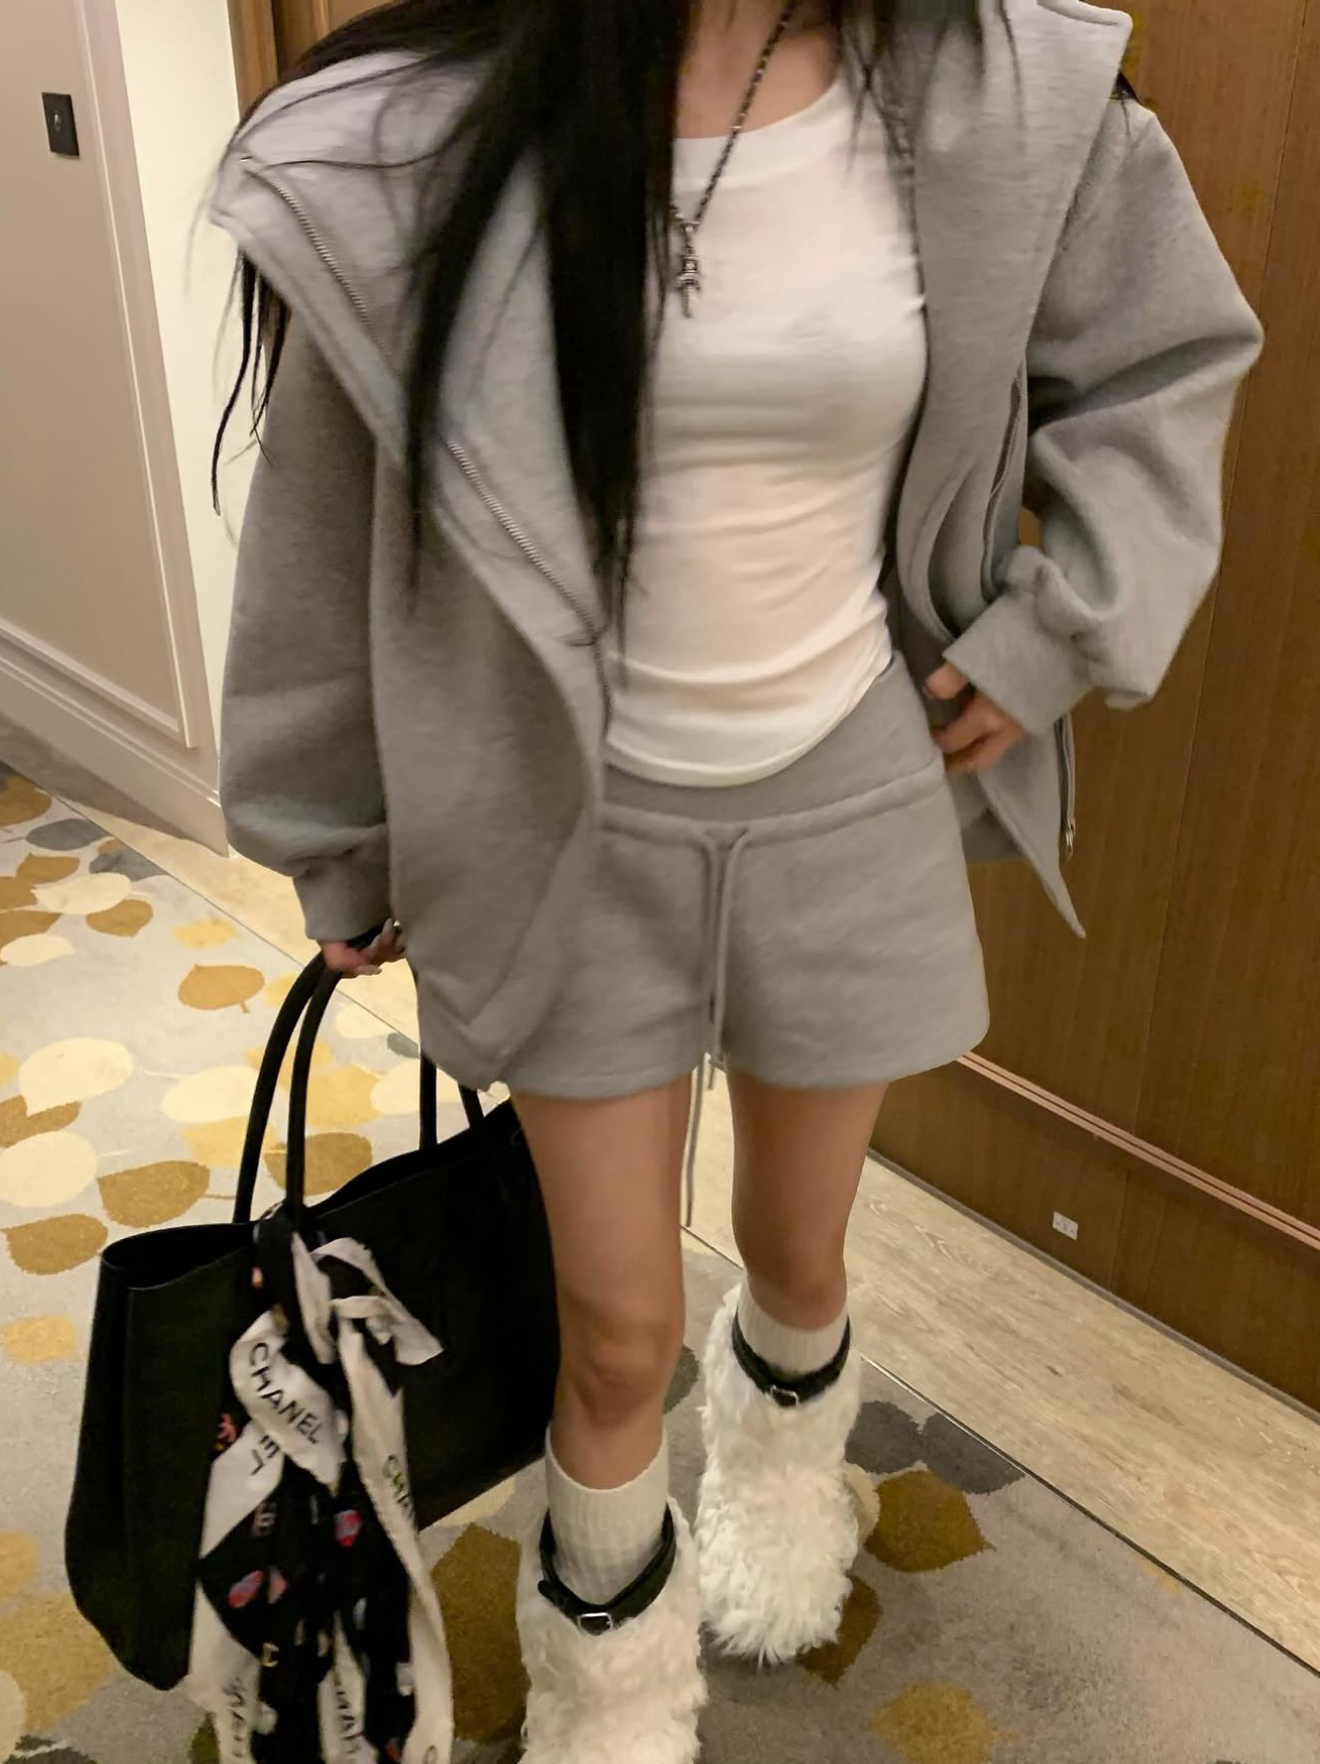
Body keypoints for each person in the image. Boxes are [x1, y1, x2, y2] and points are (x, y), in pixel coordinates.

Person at [211, 1, 1261, 1757]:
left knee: (797, 1245)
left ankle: (782, 1503)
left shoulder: (1003, 92)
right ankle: (606, 1691)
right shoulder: (426, 130)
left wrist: (1058, 631)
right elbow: (322, 521)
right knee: (617, 1328)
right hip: (561, 828)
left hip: (852, 794)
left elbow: (1165, 364)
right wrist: (340, 830)